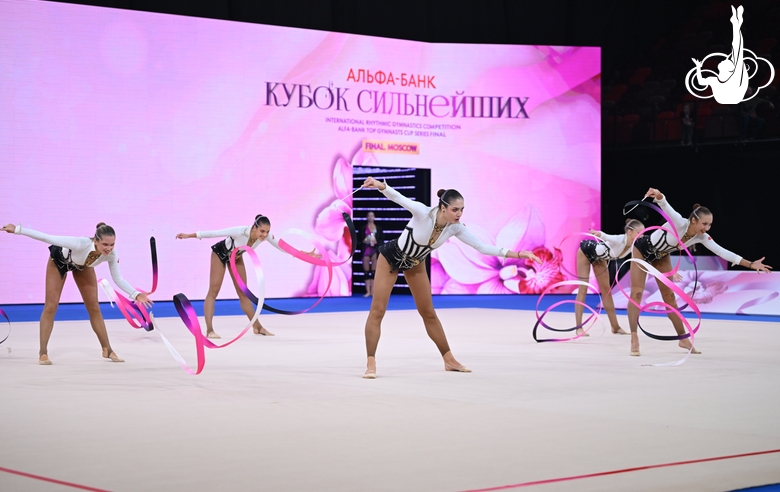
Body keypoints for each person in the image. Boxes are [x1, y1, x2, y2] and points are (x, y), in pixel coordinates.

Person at [360, 177, 541, 378]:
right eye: (455, 209)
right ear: (443, 207)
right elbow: (398, 197)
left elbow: (481, 246)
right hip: (391, 257)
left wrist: (516, 254)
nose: (459, 214)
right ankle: (371, 363)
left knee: (428, 313)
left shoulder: (456, 227)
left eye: (462, 209)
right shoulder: (423, 212)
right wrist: (380, 185)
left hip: (416, 263)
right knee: (377, 311)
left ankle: (449, 360)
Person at [627, 188, 772, 356]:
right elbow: (665, 205)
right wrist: (658, 195)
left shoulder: (701, 237)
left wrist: (751, 264)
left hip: (662, 256)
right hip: (642, 248)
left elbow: (722, 252)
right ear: (694, 220)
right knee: (636, 293)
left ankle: (682, 338)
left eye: (710, 225)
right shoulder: (680, 222)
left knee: (670, 298)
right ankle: (634, 337)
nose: (707, 228)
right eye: (704, 224)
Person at [1, 222, 153, 365]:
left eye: (112, 245)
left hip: (82, 266)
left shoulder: (111, 255)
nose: (108, 248)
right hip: (59, 261)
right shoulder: (80, 243)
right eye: (105, 244)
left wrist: (135, 294)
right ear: (96, 240)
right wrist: (18, 230)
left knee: (94, 307)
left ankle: (108, 349)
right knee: (51, 306)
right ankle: (43, 352)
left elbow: (118, 279)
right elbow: (47, 238)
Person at [177, 214, 317, 339]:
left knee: (244, 293)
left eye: (267, 232)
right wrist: (189, 235)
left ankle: (257, 327)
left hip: (236, 257)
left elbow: (283, 247)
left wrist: (304, 253)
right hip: (220, 254)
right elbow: (214, 233)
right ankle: (209, 330)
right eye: (262, 231)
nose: (264, 235)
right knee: (213, 291)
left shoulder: (266, 236)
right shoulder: (240, 231)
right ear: (255, 228)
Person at [574, 219, 645, 337]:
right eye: (639, 233)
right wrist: (599, 233)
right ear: (630, 232)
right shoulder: (620, 239)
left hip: (600, 257)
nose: (641, 236)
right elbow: (607, 236)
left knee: (606, 291)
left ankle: (615, 326)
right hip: (586, 251)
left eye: (643, 233)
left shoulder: (634, 245)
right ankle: (579, 327)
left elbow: (649, 253)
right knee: (583, 289)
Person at [692, 6, 748, 104]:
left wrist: (736, 26)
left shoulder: (734, 76)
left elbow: (737, 46)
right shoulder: (714, 80)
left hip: (733, 98)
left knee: (737, 50)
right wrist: (698, 67)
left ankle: (736, 24)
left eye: (726, 61)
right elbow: (701, 82)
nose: (724, 59)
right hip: (724, 99)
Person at [361, 211, 382, 297]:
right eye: (369, 216)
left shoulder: (378, 228)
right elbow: (359, 240)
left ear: (374, 217)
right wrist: (364, 241)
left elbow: (381, 240)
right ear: (367, 217)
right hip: (366, 250)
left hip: (374, 250)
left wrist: (377, 242)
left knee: (374, 272)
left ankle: (373, 291)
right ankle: (368, 291)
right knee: (366, 272)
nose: (370, 217)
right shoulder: (363, 228)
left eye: (372, 216)